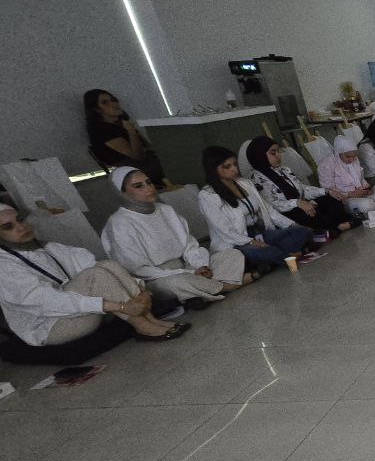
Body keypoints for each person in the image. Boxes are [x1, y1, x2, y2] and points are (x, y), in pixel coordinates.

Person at [1, 204, 188, 344]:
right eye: (8, 227)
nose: (21, 227)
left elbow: (101, 268)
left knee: (107, 265)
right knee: (94, 275)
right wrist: (120, 307)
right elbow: (47, 302)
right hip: (52, 326)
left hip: (82, 311)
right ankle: (142, 326)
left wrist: (142, 291)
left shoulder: (48, 247)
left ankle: (150, 320)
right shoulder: (4, 266)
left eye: (20, 219)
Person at [101, 167, 249, 310]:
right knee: (177, 282)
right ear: (123, 193)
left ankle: (197, 295)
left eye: (149, 182)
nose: (149, 188)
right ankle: (229, 285)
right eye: (139, 186)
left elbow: (189, 245)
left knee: (232, 254)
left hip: (187, 267)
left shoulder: (166, 210)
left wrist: (200, 266)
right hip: (158, 278)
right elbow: (138, 270)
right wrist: (190, 274)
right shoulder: (119, 223)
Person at [197, 146, 311, 271]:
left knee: (302, 232)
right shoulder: (207, 196)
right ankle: (285, 256)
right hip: (238, 242)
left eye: (235, 164)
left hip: (261, 234)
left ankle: (270, 262)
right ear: (213, 170)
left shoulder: (245, 183)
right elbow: (225, 231)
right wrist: (251, 242)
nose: (234, 169)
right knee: (265, 251)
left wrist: (292, 224)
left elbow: (268, 210)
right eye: (227, 166)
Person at [244, 136, 352, 237]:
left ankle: (330, 229)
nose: (279, 155)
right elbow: (272, 204)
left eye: (278, 151)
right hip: (286, 213)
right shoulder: (255, 178)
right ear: (260, 155)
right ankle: (336, 227)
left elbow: (301, 189)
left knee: (330, 199)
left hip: (302, 204)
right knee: (303, 213)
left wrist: (326, 191)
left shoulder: (283, 169)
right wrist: (297, 203)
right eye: (273, 153)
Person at [83, 89, 171, 188]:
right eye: (105, 102)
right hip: (134, 170)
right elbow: (137, 157)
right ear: (96, 109)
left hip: (148, 161)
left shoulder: (123, 123)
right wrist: (131, 131)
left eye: (113, 100)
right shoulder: (100, 130)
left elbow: (148, 146)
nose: (113, 104)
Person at [317, 143, 375, 218]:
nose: (351, 159)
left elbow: (361, 178)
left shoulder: (354, 159)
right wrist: (349, 194)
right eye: (348, 157)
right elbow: (329, 191)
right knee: (367, 204)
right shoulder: (326, 165)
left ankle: (372, 209)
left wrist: (366, 188)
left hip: (362, 195)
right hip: (345, 200)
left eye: (354, 156)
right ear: (339, 152)